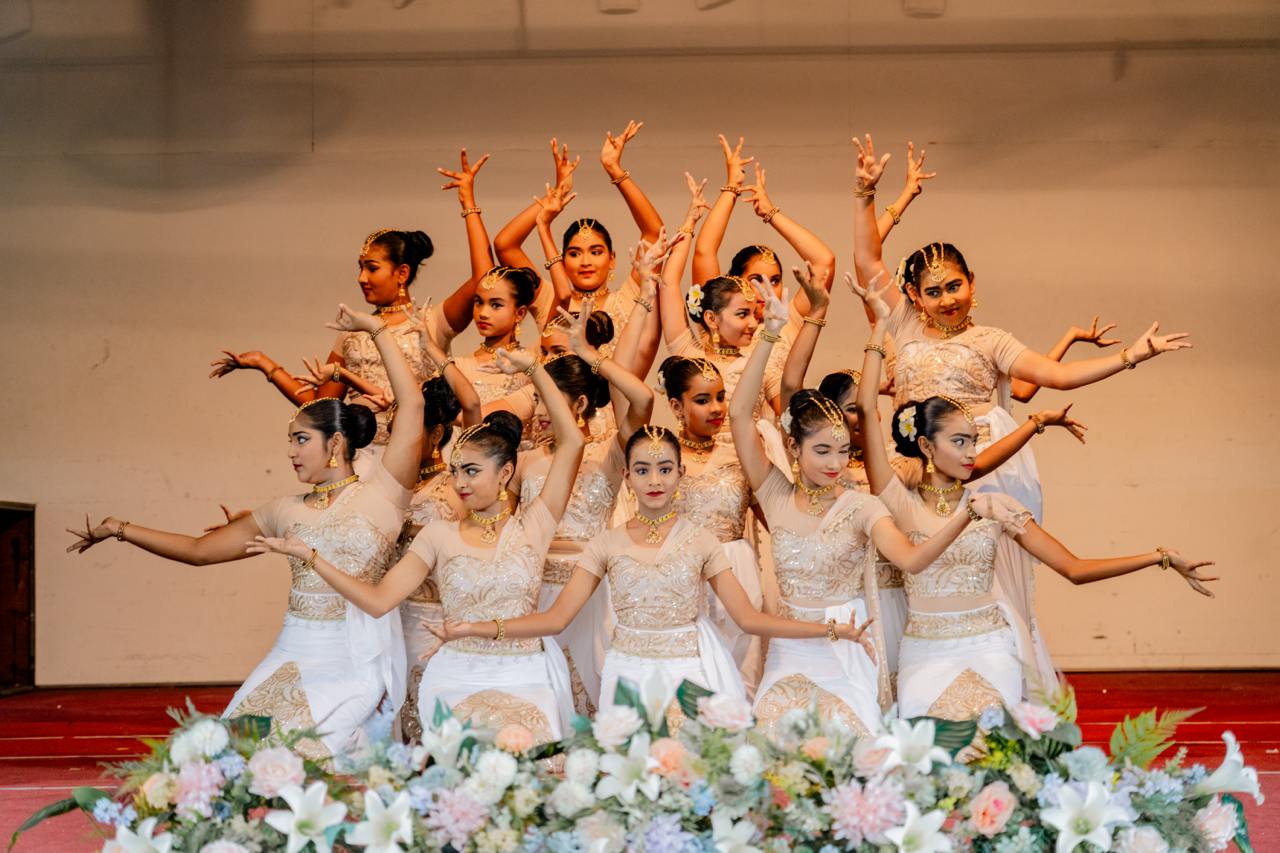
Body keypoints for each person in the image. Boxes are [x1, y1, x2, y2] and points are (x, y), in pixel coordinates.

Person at [851, 131, 1194, 684]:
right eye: (934, 291)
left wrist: (1132, 356)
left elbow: (1054, 376)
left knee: (987, 576)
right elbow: (867, 258)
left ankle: (1003, 675)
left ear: (973, 283)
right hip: (914, 462)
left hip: (980, 458)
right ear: (914, 297)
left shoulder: (991, 340)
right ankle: (916, 679)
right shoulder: (903, 324)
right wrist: (867, 195)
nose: (948, 299)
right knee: (911, 573)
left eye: (956, 285)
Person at [851, 273, 1216, 719]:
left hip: (991, 649)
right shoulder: (898, 501)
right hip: (923, 657)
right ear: (926, 446)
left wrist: (1160, 557)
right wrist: (879, 326)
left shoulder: (998, 507)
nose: (975, 451)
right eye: (962, 442)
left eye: (975, 439)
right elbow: (868, 408)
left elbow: (1074, 569)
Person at [70, 303, 425, 759]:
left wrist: (376, 329)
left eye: (300, 439)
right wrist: (119, 529)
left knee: (316, 756)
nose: (291, 452)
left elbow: (412, 403)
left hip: (354, 657)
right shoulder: (284, 510)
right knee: (231, 754)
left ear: (335, 443)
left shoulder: (384, 494)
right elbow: (199, 550)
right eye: (290, 441)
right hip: (292, 650)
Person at [428, 425, 876, 730]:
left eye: (665, 469)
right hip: (627, 674)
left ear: (680, 475)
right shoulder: (607, 544)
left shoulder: (701, 541)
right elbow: (556, 619)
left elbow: (749, 619)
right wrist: (474, 629)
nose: (654, 480)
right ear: (627, 478)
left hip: (688, 672)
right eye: (642, 470)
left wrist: (831, 629)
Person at [249, 347, 585, 742]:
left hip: (525, 674)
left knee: (523, 768)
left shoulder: (535, 527)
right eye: (457, 470)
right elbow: (377, 601)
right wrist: (313, 558)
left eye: (473, 471)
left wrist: (532, 369)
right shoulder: (438, 535)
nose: (460, 483)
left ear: (506, 472)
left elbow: (573, 441)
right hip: (455, 674)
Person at [731, 282, 1014, 735]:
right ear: (793, 446)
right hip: (789, 653)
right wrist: (771, 333)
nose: (836, 463)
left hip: (851, 647)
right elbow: (740, 413)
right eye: (822, 451)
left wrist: (965, 516)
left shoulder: (863, 507)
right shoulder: (774, 493)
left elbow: (912, 560)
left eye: (842, 451)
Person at [494, 125, 664, 369]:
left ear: (612, 259)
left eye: (596, 252)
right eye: (574, 254)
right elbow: (505, 245)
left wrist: (616, 171)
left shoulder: (628, 298)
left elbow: (655, 234)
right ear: (561, 261)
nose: (585, 262)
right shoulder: (551, 300)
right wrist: (555, 195)